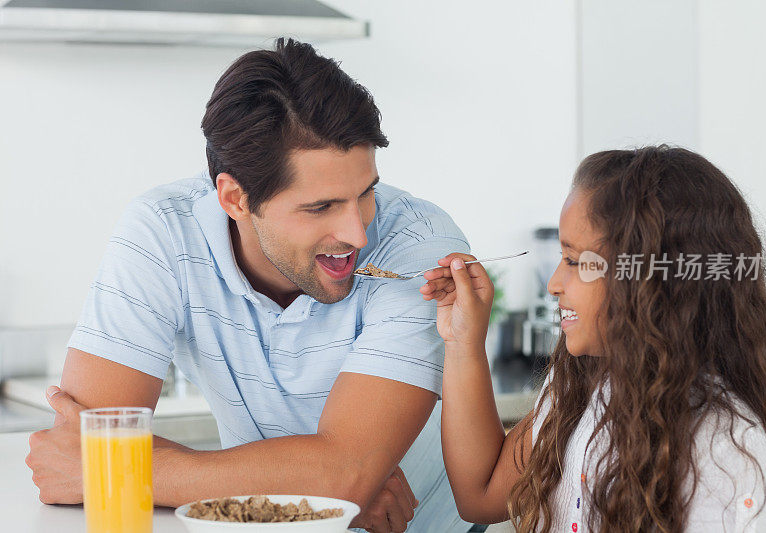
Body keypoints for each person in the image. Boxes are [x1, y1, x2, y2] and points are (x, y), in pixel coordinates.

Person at [25, 38, 474, 533]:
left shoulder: (419, 247)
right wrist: (315, 487)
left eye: (365, 193)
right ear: (235, 198)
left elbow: (345, 478)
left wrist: (115, 469)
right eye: (320, 206)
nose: (357, 233)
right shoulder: (162, 232)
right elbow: (81, 442)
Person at [420, 146, 766, 531]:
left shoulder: (723, 450)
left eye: (574, 261)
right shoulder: (578, 389)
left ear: (650, 282)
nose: (553, 284)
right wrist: (463, 342)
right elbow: (480, 494)